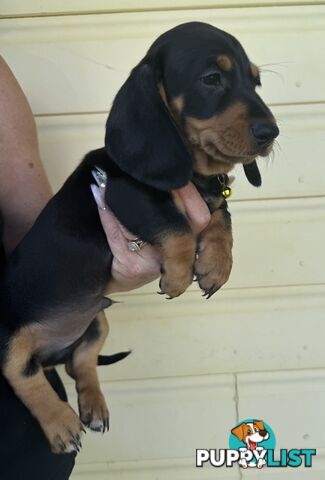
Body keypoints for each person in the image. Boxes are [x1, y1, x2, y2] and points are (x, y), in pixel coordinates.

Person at [0, 56, 210, 478]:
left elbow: (34, 230)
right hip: (20, 361)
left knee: (91, 330)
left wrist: (111, 268)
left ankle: (85, 372)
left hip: (18, 339)